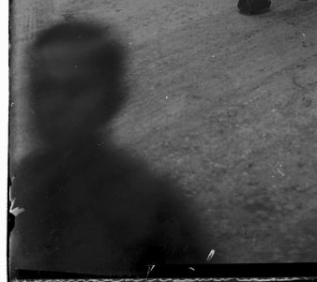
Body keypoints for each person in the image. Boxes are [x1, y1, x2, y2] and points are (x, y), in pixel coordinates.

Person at [10, 19, 211, 276]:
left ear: (113, 101)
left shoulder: (148, 204)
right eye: (42, 87)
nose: (52, 106)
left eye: (74, 90)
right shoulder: (24, 180)